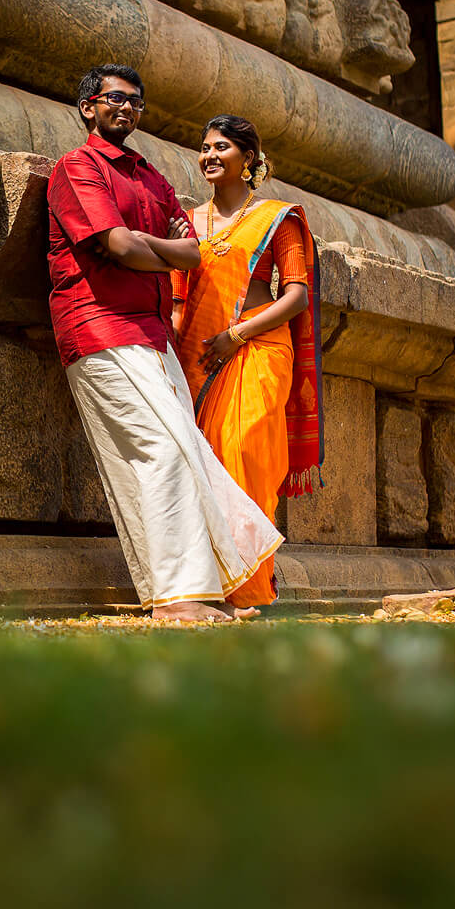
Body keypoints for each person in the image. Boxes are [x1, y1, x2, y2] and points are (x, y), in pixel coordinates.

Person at [47, 65, 283, 624]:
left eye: (135, 102)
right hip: (100, 324)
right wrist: (155, 248)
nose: (126, 108)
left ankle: (204, 589)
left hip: (154, 334)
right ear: (88, 107)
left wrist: (142, 245)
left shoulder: (150, 176)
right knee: (164, 450)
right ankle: (177, 597)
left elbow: (191, 252)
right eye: (114, 99)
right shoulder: (77, 168)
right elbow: (118, 248)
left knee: (188, 454)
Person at [169, 116, 322, 611]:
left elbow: (296, 296)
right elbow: (176, 299)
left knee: (245, 459)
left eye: (222, 148)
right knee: (203, 468)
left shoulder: (279, 217)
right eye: (205, 147)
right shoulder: (188, 222)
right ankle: (206, 586)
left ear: (249, 160)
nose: (210, 156)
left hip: (256, 349)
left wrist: (236, 333)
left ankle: (249, 589)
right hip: (198, 355)